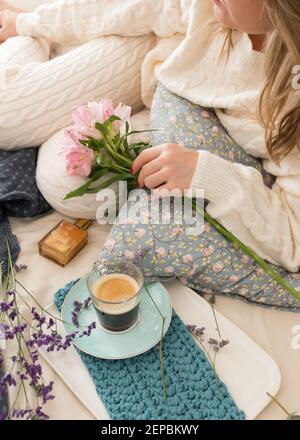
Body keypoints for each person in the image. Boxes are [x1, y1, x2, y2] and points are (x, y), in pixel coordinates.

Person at [2, 0, 300, 310]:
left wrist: (204, 172)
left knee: (62, 182)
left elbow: (292, 235)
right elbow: (124, 8)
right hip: (159, 43)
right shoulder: (209, 9)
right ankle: (28, 37)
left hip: (185, 115)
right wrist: (28, 24)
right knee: (6, 109)